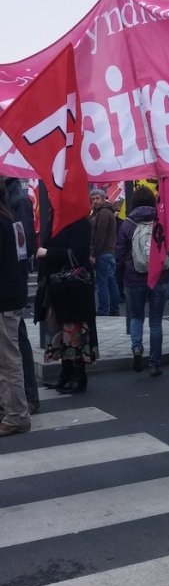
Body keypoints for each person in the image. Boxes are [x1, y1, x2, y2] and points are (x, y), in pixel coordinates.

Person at [36, 213, 98, 394]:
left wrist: (48, 253)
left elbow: (79, 253)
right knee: (62, 332)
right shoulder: (55, 220)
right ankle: (66, 374)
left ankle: (78, 376)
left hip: (75, 288)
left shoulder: (80, 223)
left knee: (74, 332)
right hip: (58, 287)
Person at [115, 185, 169, 376]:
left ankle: (137, 347)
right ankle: (155, 364)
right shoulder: (161, 220)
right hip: (159, 277)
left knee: (137, 317)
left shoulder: (128, 224)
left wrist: (121, 273)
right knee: (156, 322)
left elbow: (119, 253)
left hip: (134, 278)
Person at [4, 177, 40, 414]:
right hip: (12, 285)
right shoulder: (13, 201)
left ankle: (26, 398)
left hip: (10, 286)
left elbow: (23, 247)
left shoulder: (17, 202)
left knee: (15, 345)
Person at [0, 178, 32, 436]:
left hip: (4, 299)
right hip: (11, 296)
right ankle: (11, 410)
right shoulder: (9, 218)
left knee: (8, 359)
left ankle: (16, 415)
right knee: (8, 357)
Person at [89, 187, 121, 316]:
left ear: (103, 199)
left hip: (103, 252)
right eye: (93, 199)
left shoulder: (103, 213)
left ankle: (103, 309)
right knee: (111, 280)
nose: (95, 201)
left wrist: (93, 254)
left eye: (97, 198)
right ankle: (114, 309)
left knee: (103, 282)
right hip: (109, 251)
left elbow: (99, 236)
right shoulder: (106, 212)